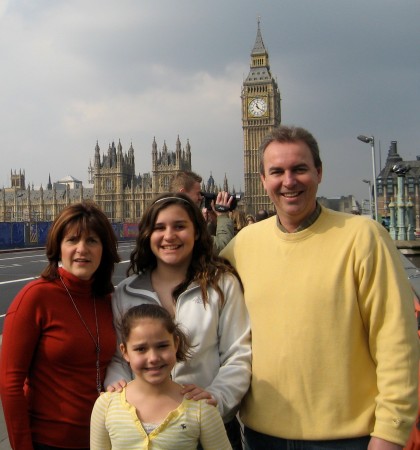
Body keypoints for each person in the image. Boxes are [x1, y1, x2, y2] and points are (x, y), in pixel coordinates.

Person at [221, 126, 419, 450]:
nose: (289, 181)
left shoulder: (363, 237)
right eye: (277, 172)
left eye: (299, 169)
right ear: (263, 181)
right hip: (262, 437)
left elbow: (397, 340)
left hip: (348, 439)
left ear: (319, 172)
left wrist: (391, 433)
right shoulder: (242, 246)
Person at [105, 193, 251, 449]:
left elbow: (238, 354)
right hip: (144, 427)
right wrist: (117, 386)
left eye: (180, 226)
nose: (169, 236)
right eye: (159, 228)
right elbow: (119, 357)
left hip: (208, 424)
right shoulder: (126, 292)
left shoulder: (221, 285)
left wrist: (217, 396)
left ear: (197, 232)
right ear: (148, 235)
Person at [0, 201, 121, 450]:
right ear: (59, 247)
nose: (81, 249)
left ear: (104, 249)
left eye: (92, 241)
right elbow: (10, 383)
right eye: (72, 240)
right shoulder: (35, 297)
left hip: (105, 440)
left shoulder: (109, 299)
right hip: (50, 441)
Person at [91, 304, 232, 449]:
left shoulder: (201, 407)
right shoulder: (106, 406)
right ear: (125, 351)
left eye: (162, 346)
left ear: (175, 344)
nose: (153, 358)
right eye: (141, 349)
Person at [170, 170, 234, 253]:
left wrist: (209, 223)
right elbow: (223, 247)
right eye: (198, 194)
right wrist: (223, 216)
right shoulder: (183, 225)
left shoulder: (170, 217)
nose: (201, 198)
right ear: (183, 193)